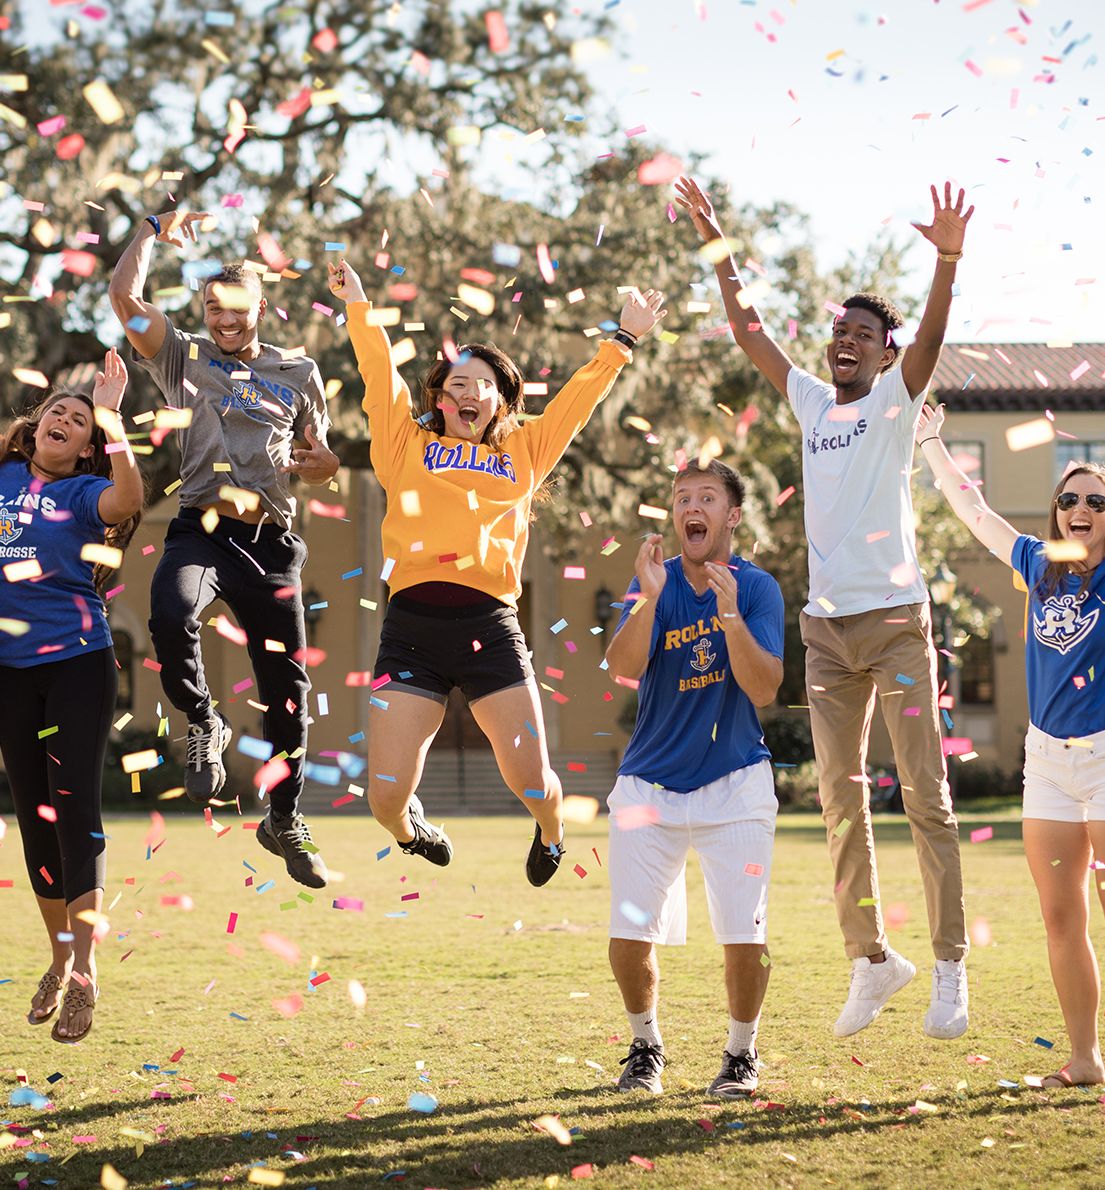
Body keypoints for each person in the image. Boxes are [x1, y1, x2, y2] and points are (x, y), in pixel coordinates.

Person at [674, 176, 973, 1040]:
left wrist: (946, 260)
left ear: (883, 354)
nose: (844, 342)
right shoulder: (811, 400)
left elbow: (931, 332)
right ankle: (872, 960)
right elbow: (749, 330)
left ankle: (949, 966)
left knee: (926, 794)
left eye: (860, 335)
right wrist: (717, 240)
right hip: (826, 630)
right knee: (839, 801)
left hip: (894, 621)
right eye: (837, 331)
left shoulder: (893, 397)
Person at [327, 258, 665, 883]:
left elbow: (576, 402)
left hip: (490, 628)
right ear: (438, 398)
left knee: (533, 782)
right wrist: (360, 307)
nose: (466, 394)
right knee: (384, 798)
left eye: (481, 385)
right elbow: (378, 376)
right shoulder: (405, 446)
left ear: (501, 401)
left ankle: (553, 828)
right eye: (454, 385)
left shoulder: (524, 450)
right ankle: (412, 831)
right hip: (411, 630)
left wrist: (623, 341)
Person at [107, 210, 339, 889]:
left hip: (269, 545)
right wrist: (151, 228)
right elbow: (125, 299)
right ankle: (204, 721)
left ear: (260, 307)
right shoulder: (185, 357)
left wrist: (321, 461)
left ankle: (284, 820)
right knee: (169, 615)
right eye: (212, 308)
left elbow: (318, 459)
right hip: (200, 531)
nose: (224, 319)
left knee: (286, 692)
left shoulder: (299, 371)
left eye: (234, 308)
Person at [919, 403, 1105, 1087]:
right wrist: (934, 443)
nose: (1078, 508)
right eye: (1067, 500)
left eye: (1094, 500)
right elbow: (974, 514)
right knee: (1061, 917)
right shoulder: (1040, 563)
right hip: (1048, 764)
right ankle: (1084, 1059)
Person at [603, 460, 784, 1096]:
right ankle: (645, 1046)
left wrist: (732, 619)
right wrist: (650, 598)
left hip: (735, 784)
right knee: (628, 934)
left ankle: (741, 1053)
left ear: (731, 516)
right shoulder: (656, 582)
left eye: (706, 497)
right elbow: (620, 665)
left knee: (744, 932)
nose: (691, 507)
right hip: (647, 784)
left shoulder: (758, 588)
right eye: (682, 498)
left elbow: (763, 688)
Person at [0, 348, 143, 1043]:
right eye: (58, 408)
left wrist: (115, 421)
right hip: (9, 672)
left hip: (78, 664)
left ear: (88, 446)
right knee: (34, 817)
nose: (65, 416)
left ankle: (84, 971)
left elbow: (129, 500)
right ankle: (58, 955)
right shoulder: (1, 479)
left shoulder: (85, 495)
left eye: (79, 418)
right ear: (34, 428)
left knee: (73, 808)